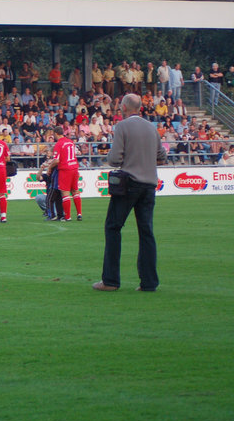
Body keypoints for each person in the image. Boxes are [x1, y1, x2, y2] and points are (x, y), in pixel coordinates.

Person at [95, 94, 167, 292]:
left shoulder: (122, 127)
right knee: (146, 233)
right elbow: (162, 156)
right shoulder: (152, 129)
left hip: (129, 184)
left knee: (113, 227)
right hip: (149, 185)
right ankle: (149, 283)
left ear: (125, 107)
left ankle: (110, 280)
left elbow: (115, 158)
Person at [50, 126, 82, 221]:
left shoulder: (59, 144)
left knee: (65, 193)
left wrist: (49, 168)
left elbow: (56, 160)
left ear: (56, 134)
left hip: (65, 169)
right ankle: (79, 214)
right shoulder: (70, 142)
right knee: (75, 191)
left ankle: (68, 217)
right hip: (74, 168)